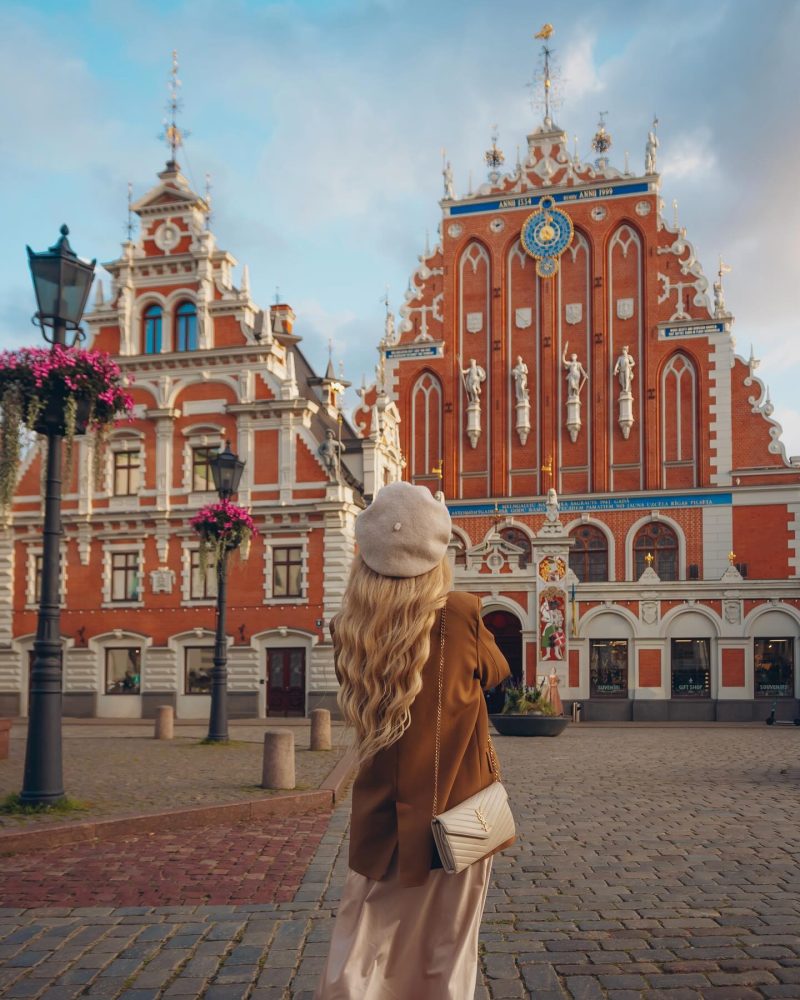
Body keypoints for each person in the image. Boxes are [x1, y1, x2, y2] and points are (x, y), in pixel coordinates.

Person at [315, 481, 512, 999]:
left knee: (363, 942)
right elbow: (496, 671)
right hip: (461, 812)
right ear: (437, 553)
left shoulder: (349, 627)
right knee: (448, 949)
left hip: (383, 817)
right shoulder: (461, 615)